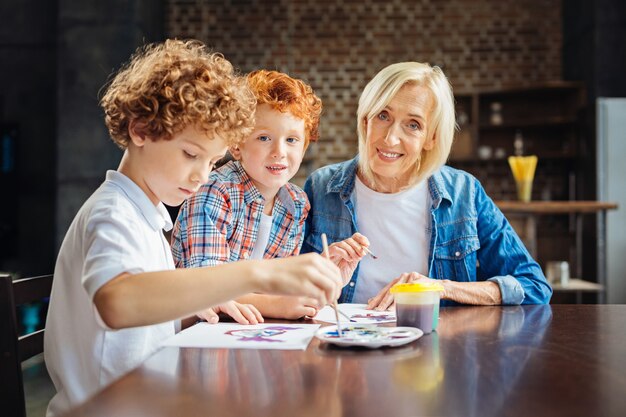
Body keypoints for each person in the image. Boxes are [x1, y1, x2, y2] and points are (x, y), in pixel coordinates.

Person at [44, 40, 342, 416]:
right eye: (190, 154)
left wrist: (204, 305)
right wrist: (261, 272)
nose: (202, 176)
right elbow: (118, 303)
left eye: (213, 160)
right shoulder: (113, 212)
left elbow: (150, 326)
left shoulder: (147, 217)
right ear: (140, 130)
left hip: (148, 397)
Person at [302, 61, 552, 309]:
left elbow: (533, 286)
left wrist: (440, 288)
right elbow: (282, 290)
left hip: (439, 344)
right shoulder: (320, 187)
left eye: (413, 125)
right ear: (366, 120)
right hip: (345, 344)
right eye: (383, 115)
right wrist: (316, 276)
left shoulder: (464, 192)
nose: (390, 138)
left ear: (431, 138)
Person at [172, 69, 367, 321]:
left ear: (305, 145)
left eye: (292, 140)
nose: (279, 152)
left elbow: (278, 287)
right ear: (236, 144)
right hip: (193, 332)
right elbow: (206, 289)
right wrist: (278, 306)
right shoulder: (214, 191)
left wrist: (322, 273)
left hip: (251, 334)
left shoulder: (296, 205)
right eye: (264, 137)